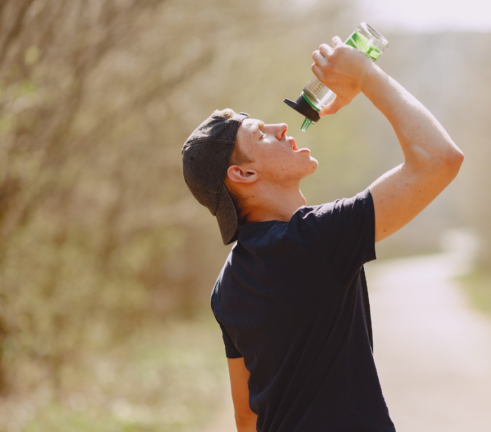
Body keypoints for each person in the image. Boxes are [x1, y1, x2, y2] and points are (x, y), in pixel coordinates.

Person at [181, 35, 463, 432]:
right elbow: (440, 159)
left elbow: (246, 416)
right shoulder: (313, 241)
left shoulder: (227, 284)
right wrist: (365, 75)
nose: (281, 126)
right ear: (243, 174)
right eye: (260, 134)